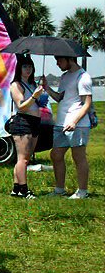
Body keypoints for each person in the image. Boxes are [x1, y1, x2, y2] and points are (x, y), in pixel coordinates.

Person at [44, 55, 93, 199]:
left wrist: (74, 122)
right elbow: (60, 98)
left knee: (78, 157)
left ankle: (82, 192)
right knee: (56, 155)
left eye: (59, 60)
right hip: (61, 123)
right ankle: (60, 189)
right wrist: (47, 89)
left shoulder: (83, 77)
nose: (58, 64)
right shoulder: (65, 77)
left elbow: (87, 104)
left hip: (77, 125)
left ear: (69, 59)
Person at [8, 56, 45, 198]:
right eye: (25, 67)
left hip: (35, 122)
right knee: (22, 158)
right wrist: (34, 96)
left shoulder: (32, 84)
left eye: (30, 66)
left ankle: (16, 188)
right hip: (23, 122)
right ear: (19, 69)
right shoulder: (16, 85)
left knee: (26, 158)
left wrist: (42, 91)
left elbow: (38, 103)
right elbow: (21, 106)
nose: (28, 69)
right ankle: (24, 190)